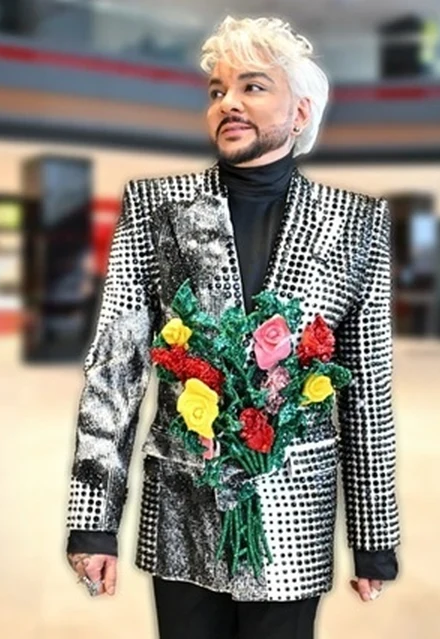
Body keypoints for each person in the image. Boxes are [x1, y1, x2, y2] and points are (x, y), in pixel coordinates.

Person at [65, 16, 400, 639]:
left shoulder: (357, 223)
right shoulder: (155, 208)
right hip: (183, 507)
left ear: (300, 113)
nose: (228, 103)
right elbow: (115, 370)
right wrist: (93, 521)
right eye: (217, 91)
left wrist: (374, 537)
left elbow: (367, 391)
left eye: (252, 87)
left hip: (294, 521)